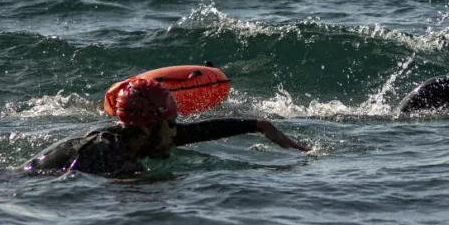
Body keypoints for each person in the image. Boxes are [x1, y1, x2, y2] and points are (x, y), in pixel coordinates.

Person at [23, 77, 311, 178]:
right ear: (151, 125)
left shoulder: (140, 134)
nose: (177, 131)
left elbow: (205, 130)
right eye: (171, 124)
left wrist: (259, 125)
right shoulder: (110, 155)